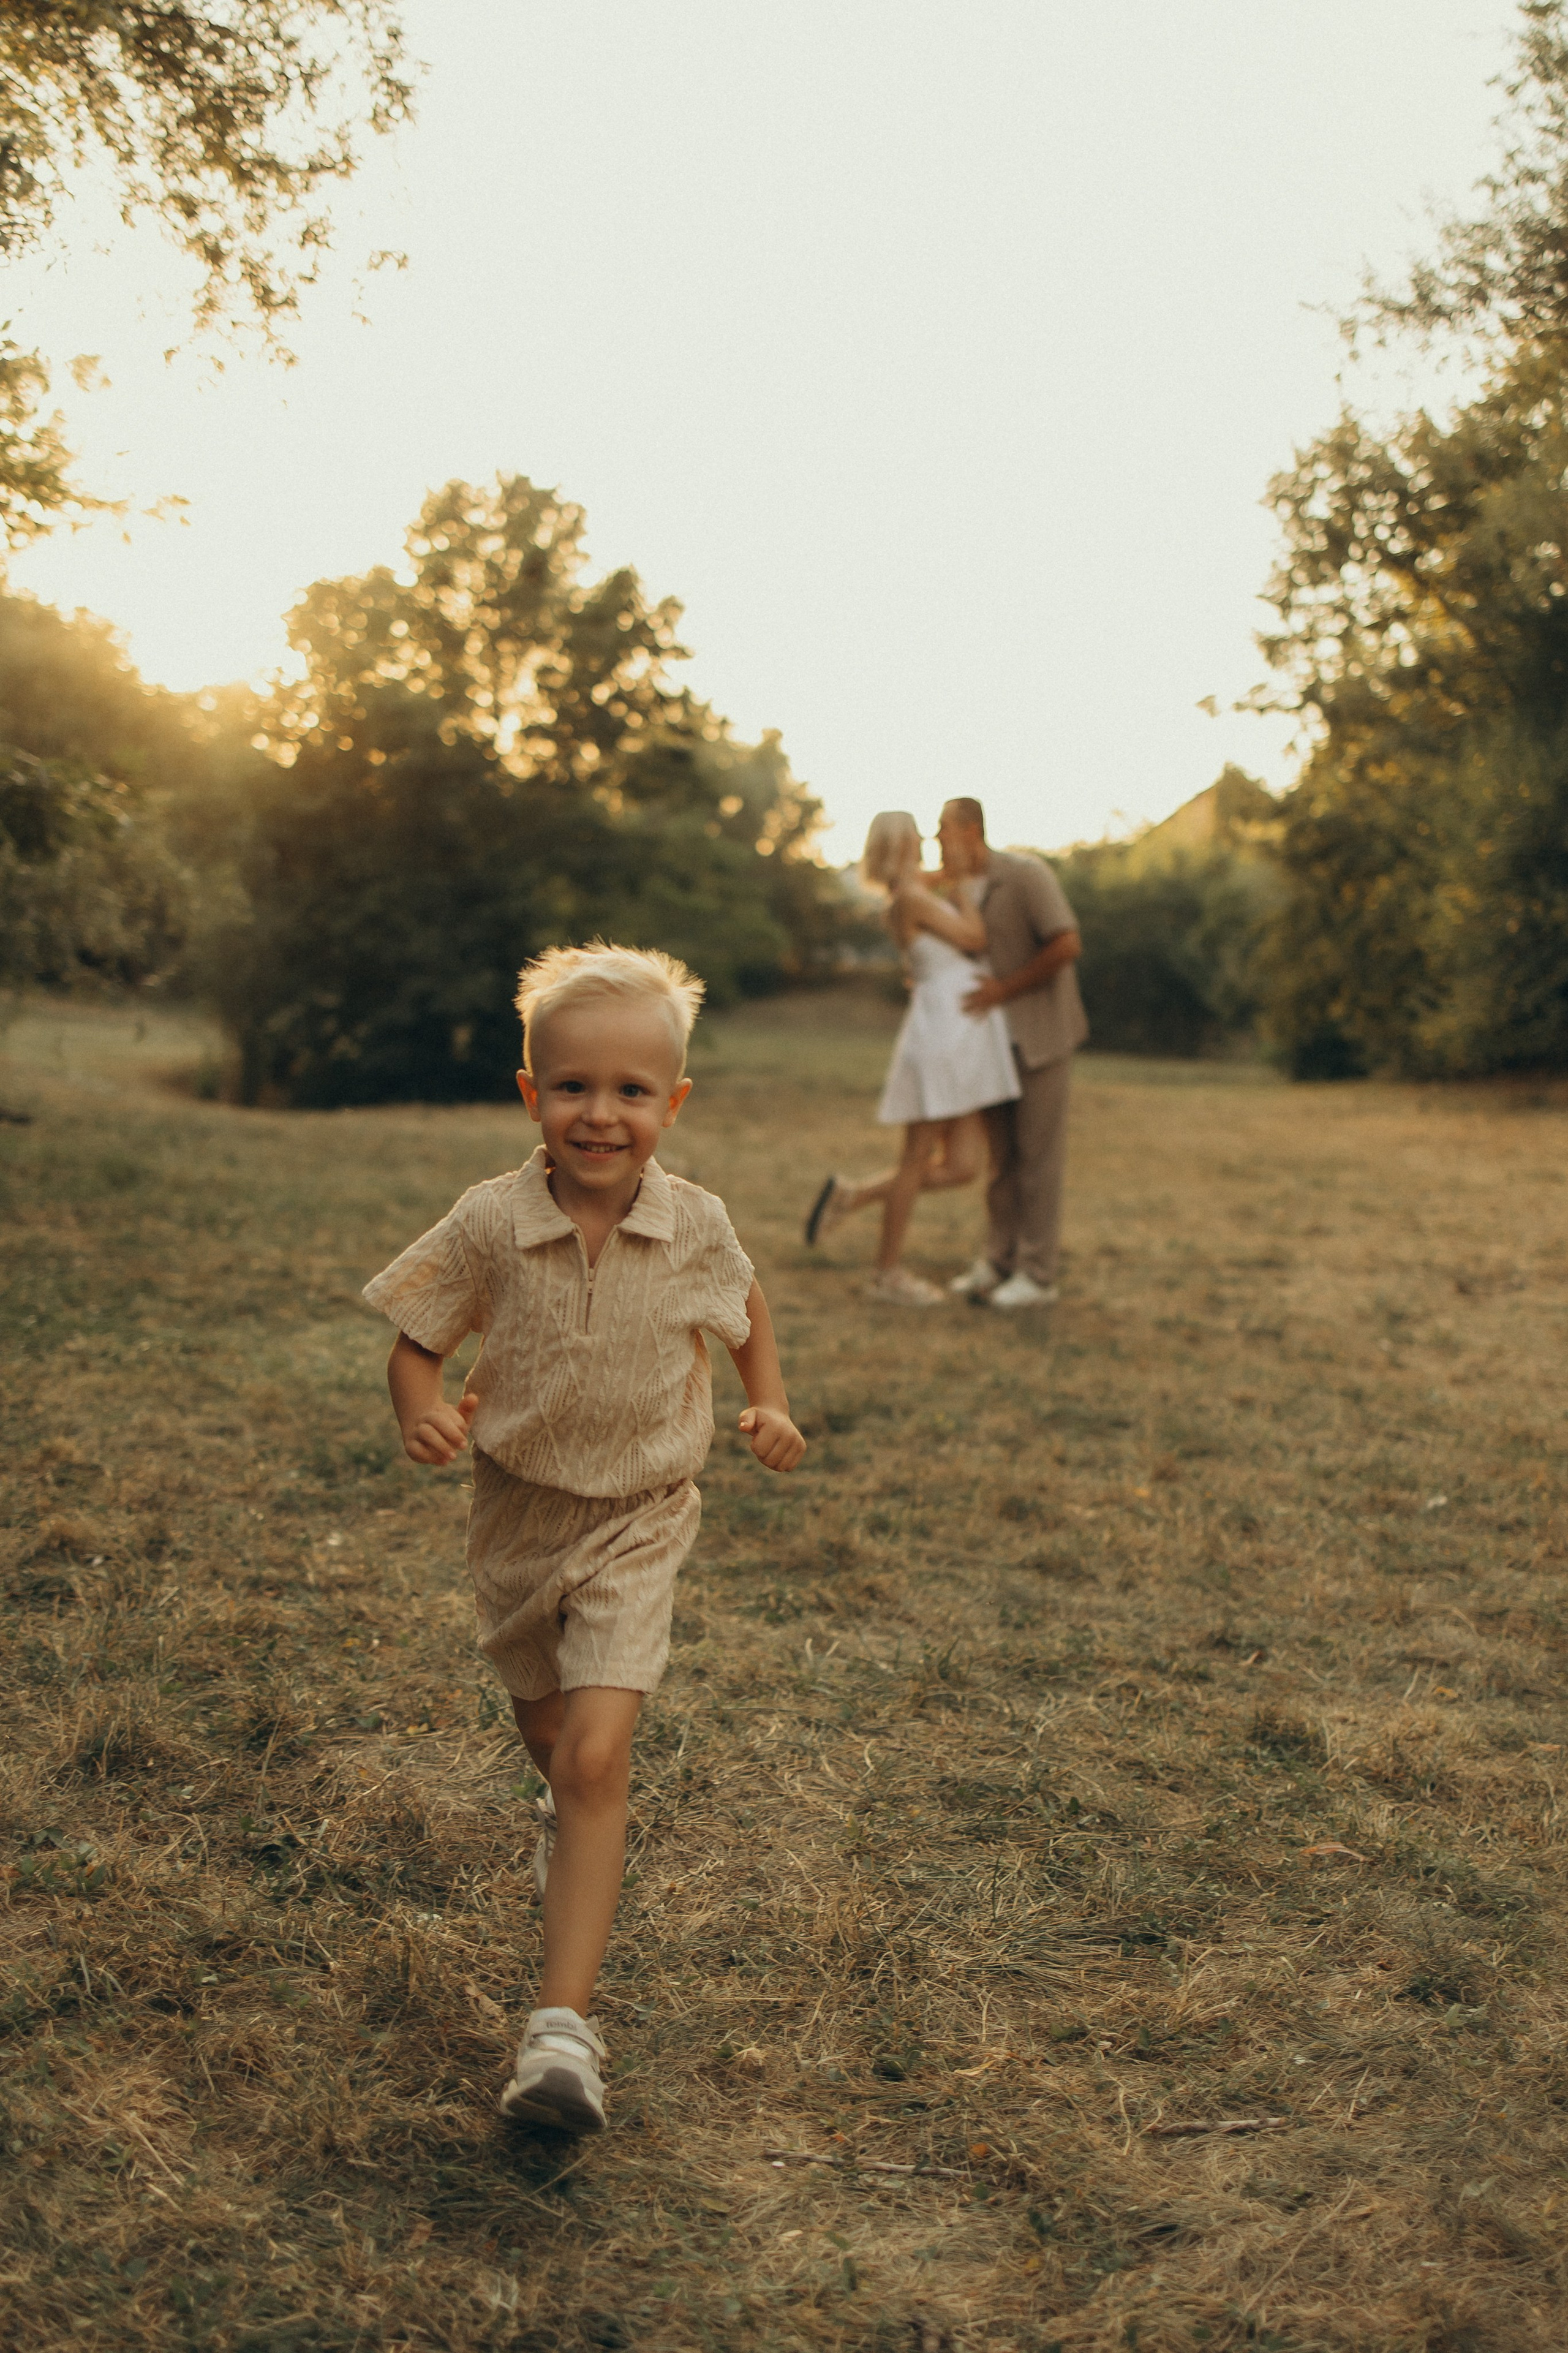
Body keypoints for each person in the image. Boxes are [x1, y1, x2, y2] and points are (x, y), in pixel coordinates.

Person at [363, 943, 805, 2135]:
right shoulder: (489, 1225)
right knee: (553, 1741)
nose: (597, 1114)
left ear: (672, 1103)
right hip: (518, 1522)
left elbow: (747, 1305)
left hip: (641, 1516)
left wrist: (766, 1400)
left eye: (628, 1091)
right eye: (570, 1088)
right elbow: (418, 1336)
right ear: (529, 1096)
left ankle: (561, 2033)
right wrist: (419, 1407)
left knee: (596, 1758)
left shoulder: (696, 1224)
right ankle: (581, 1839)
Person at [804, 810, 1020, 1304]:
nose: (926, 841)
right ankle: (887, 1273)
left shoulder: (914, 889)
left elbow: (942, 877)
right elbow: (975, 938)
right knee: (915, 1160)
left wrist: (958, 869)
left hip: (963, 1037)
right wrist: (964, 889)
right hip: (941, 1037)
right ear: (901, 844)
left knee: (964, 1165)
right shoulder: (911, 899)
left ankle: (853, 1196)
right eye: (916, 836)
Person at [936, 796, 1087, 1310]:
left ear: (971, 829)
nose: (938, 841)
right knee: (1000, 1161)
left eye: (943, 830)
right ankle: (996, 1261)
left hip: (1040, 1038)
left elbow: (1066, 944)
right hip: (986, 1045)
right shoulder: (953, 892)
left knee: (1038, 1158)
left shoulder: (1026, 876)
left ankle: (1038, 1274)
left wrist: (1005, 989)